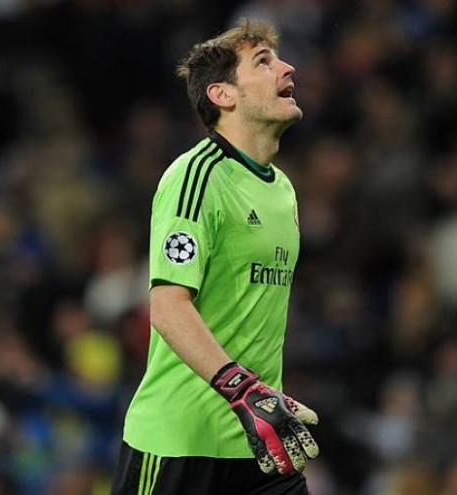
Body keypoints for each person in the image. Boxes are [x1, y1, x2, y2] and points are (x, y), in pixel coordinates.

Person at [111, 18, 319, 495]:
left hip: (263, 441)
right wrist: (241, 390)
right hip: (181, 442)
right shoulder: (196, 176)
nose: (287, 68)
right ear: (223, 95)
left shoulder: (282, 189)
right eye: (264, 62)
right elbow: (167, 307)